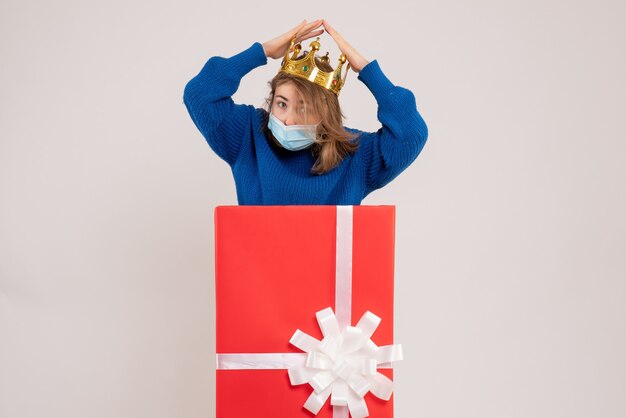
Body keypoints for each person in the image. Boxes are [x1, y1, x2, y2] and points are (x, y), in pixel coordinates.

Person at [183, 19, 428, 205]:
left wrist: (367, 70)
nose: (288, 120)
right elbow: (199, 94)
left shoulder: (355, 154)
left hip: (328, 274)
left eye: (304, 108)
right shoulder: (248, 134)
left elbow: (411, 135)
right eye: (281, 103)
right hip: (258, 273)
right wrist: (263, 51)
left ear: (326, 114)